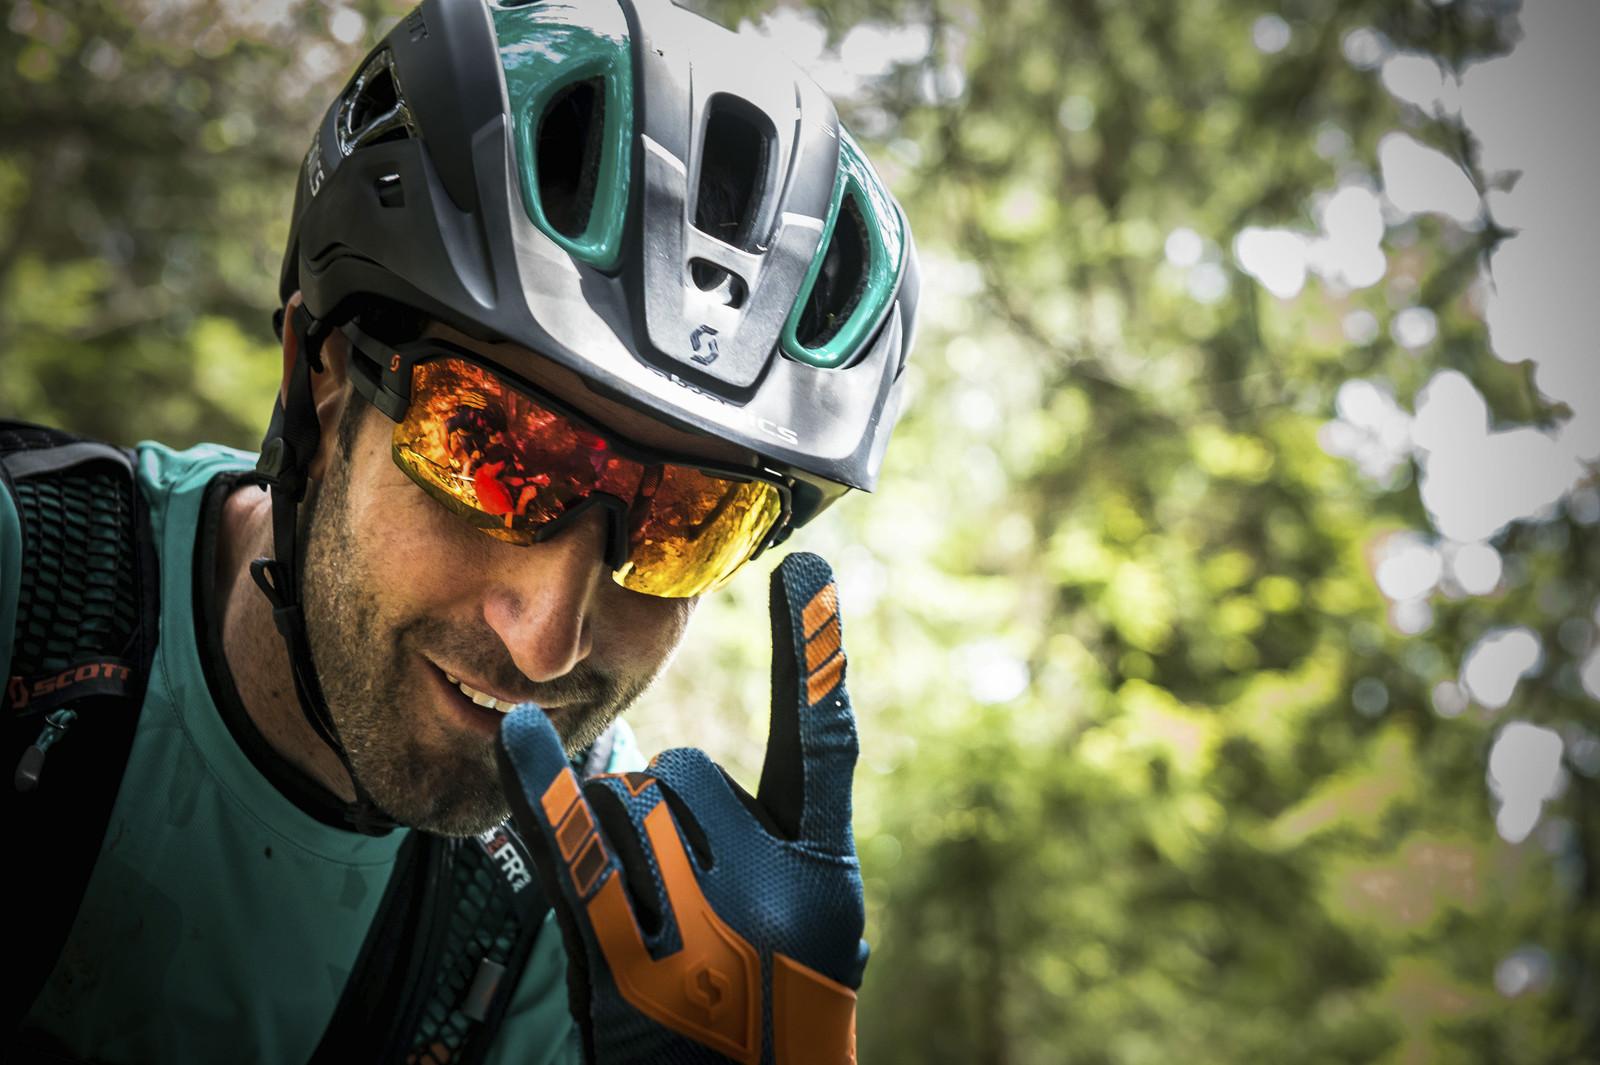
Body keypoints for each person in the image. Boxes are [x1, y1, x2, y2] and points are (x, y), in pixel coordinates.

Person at [2, 0, 919, 1062]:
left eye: (684, 524)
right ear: (323, 380)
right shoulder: (36, 589)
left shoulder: (600, 919)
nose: (546, 642)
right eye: (494, 452)